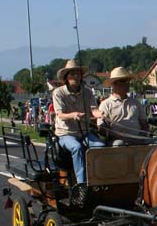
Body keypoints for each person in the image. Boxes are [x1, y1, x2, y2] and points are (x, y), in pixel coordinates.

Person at [52, 59, 106, 202]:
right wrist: (73, 115)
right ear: (66, 77)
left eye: (78, 74)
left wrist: (100, 114)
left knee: (101, 147)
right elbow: (60, 114)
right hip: (65, 133)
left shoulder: (87, 93)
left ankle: (99, 180)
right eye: (72, 74)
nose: (76, 77)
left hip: (84, 132)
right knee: (76, 147)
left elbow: (93, 109)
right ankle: (81, 185)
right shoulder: (58, 93)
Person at [97, 66, 149, 146]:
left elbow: (144, 124)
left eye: (128, 81)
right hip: (117, 140)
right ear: (115, 84)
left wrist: (143, 136)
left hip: (137, 138)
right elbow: (101, 128)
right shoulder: (106, 104)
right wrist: (118, 135)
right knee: (119, 144)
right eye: (124, 81)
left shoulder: (136, 102)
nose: (128, 83)